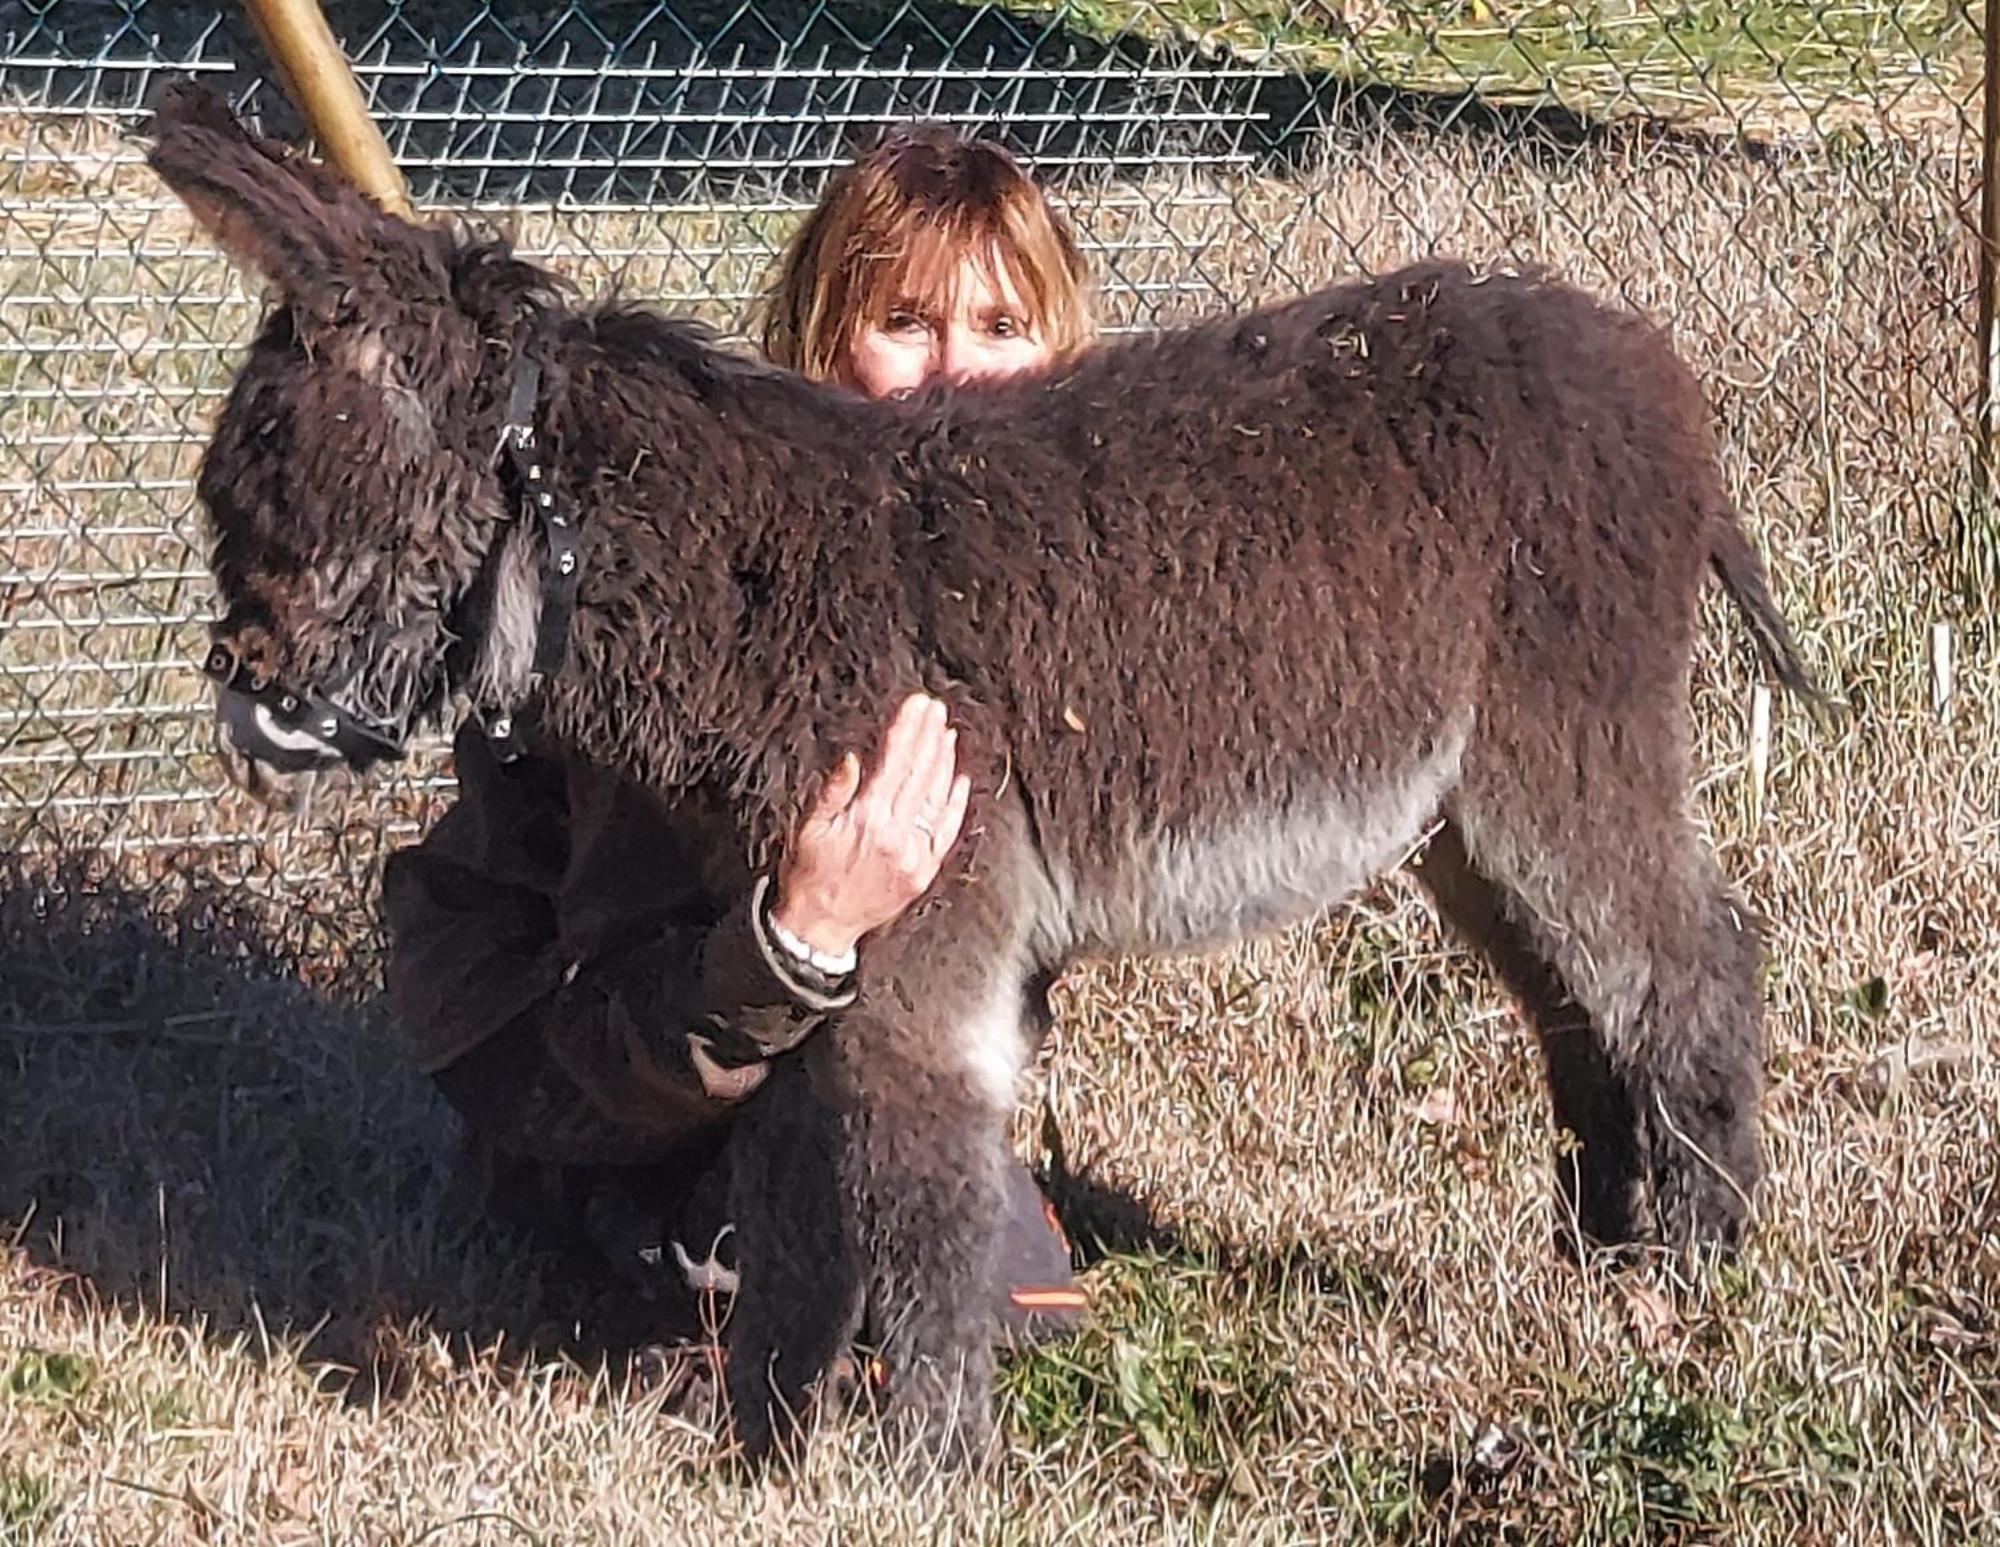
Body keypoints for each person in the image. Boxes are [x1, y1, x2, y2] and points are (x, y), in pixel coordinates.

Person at [381, 123, 1096, 1351]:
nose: (956, 372)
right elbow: (601, 987)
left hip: (791, 1049)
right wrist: (802, 930)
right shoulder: (706, 606)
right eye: (907, 323)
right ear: (820, 352)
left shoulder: (1009, 586)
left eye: (999, 326)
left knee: (1000, 1292)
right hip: (557, 1050)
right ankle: (631, 1214)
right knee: (808, 1307)